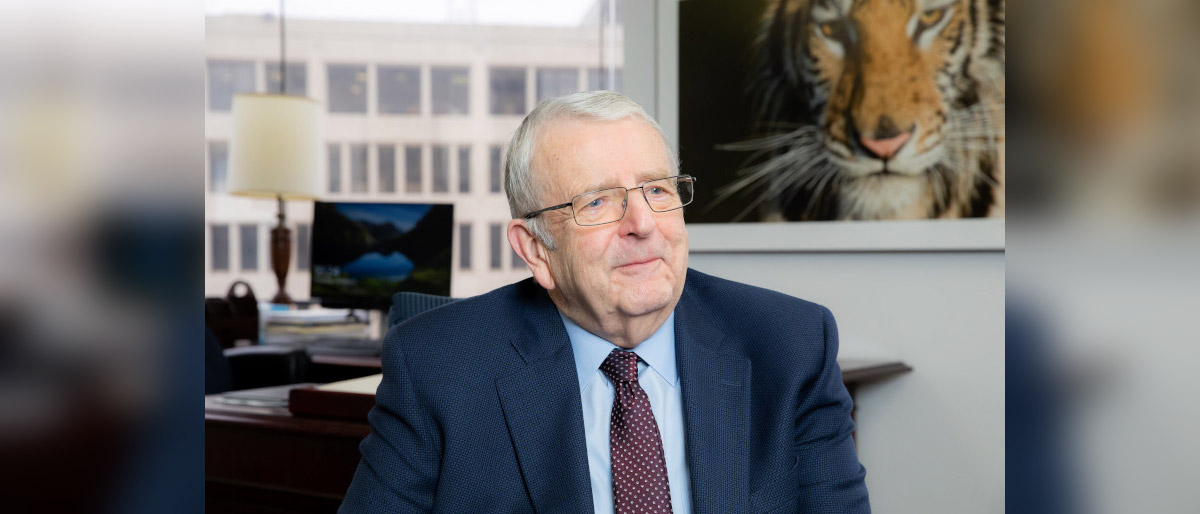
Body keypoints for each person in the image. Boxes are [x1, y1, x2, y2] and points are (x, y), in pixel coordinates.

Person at [339, 91, 870, 513]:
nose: (642, 224)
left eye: (657, 191)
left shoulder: (791, 345)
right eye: (596, 202)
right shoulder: (438, 366)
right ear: (535, 250)